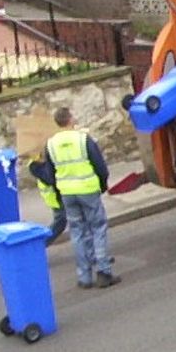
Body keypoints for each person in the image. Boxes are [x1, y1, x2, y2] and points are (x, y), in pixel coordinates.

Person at [41, 107, 120, 289]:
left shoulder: (50, 144)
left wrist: (59, 192)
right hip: (88, 189)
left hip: (67, 192)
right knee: (98, 228)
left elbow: (50, 173)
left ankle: (84, 276)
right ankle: (103, 271)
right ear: (70, 119)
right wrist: (103, 184)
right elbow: (99, 165)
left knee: (77, 232)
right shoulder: (83, 139)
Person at [28, 151, 66, 246]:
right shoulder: (34, 164)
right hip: (56, 198)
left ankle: (38, 246)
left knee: (63, 223)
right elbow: (49, 179)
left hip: (62, 195)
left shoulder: (50, 155)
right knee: (59, 224)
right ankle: (38, 246)